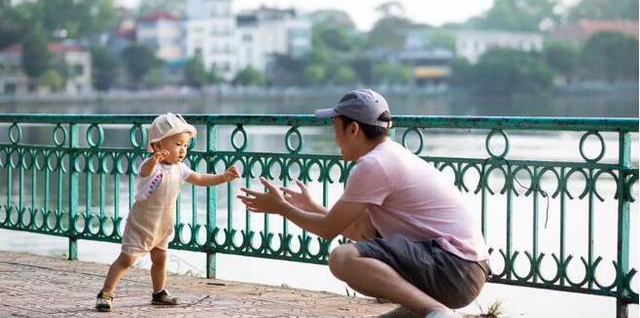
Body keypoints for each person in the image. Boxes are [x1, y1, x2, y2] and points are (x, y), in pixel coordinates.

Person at [237, 89, 490, 318]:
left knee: (342, 258)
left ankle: (437, 311)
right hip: (461, 269)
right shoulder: (388, 155)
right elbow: (361, 232)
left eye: (336, 128)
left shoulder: (374, 164)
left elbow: (328, 231)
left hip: (454, 269)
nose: (335, 138)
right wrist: (311, 207)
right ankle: (430, 309)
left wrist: (281, 208)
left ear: (354, 129)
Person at [95, 113, 240, 312]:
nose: (182, 150)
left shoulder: (180, 169)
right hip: (142, 224)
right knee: (127, 259)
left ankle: (159, 292)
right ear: (157, 146)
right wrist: (154, 160)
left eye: (186, 146)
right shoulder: (151, 167)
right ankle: (106, 293)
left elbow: (199, 178)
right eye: (178, 144)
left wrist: (223, 177)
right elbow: (145, 170)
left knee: (161, 258)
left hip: (163, 224)